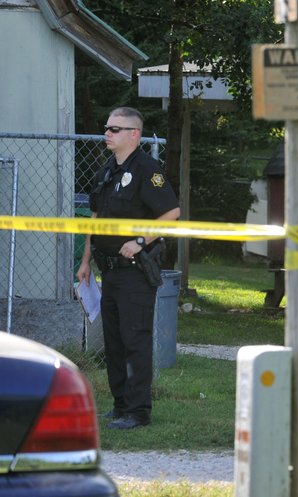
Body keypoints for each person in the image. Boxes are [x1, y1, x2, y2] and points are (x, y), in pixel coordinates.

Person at [76, 107, 180, 429]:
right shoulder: (108, 170)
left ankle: (138, 411)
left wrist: (139, 240)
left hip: (134, 270)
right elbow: (95, 218)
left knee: (134, 340)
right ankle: (120, 406)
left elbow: (171, 213)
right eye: (107, 128)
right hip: (109, 270)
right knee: (114, 341)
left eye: (115, 129)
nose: (107, 133)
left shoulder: (149, 170)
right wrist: (85, 260)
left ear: (134, 134)